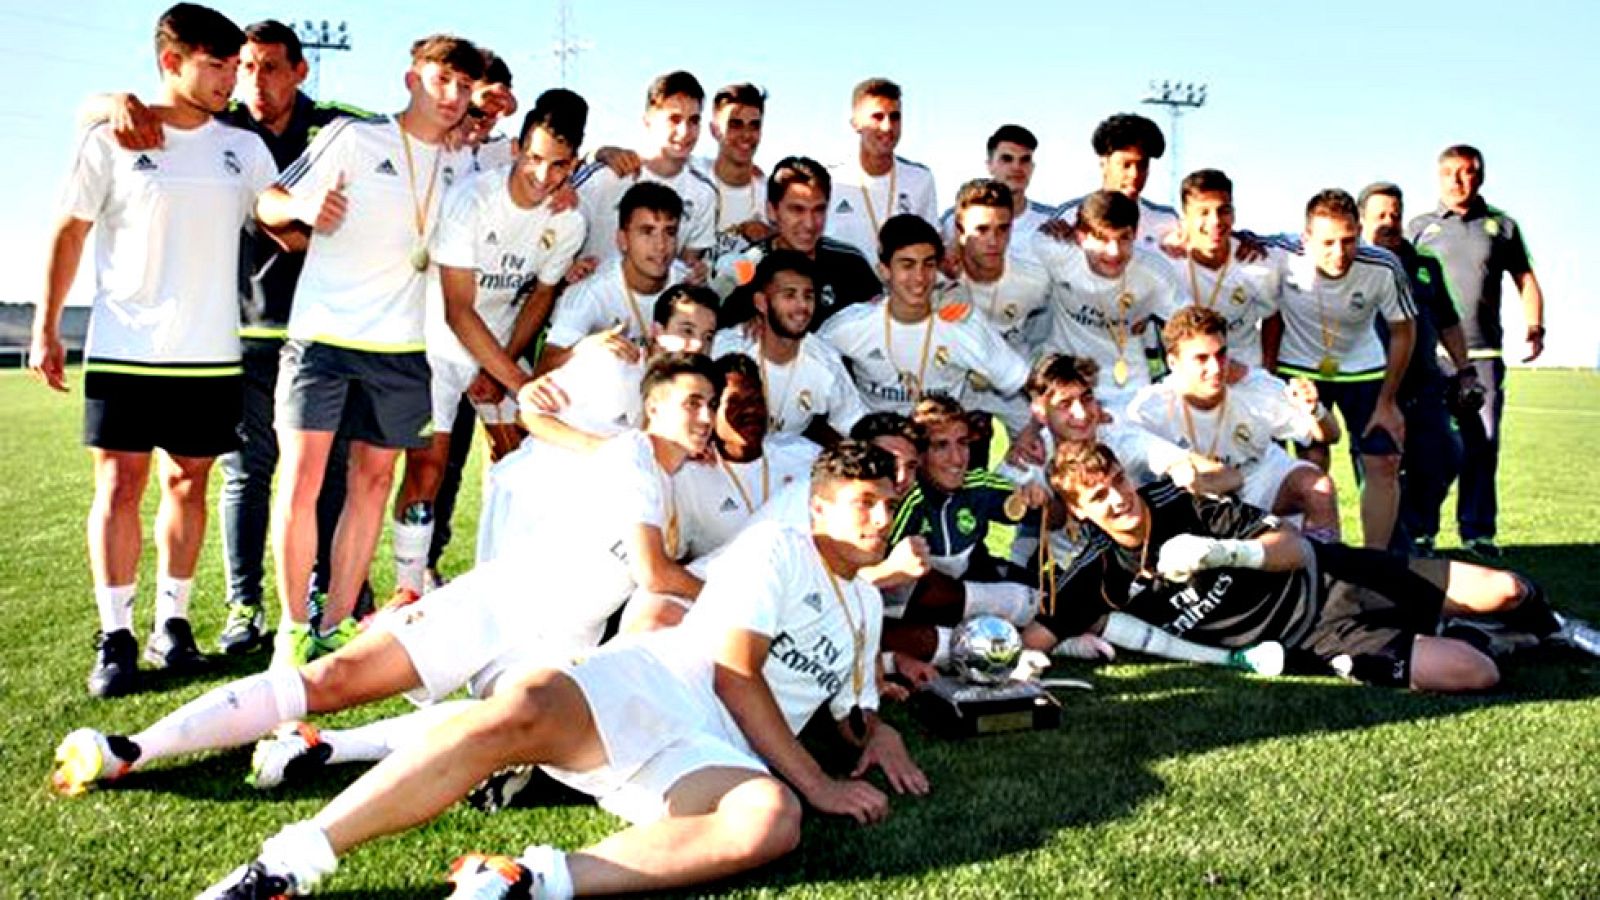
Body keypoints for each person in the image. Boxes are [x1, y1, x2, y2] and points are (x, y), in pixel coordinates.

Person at [188, 442, 927, 899]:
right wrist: (822, 784)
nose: (877, 520)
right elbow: (737, 676)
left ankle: (527, 880)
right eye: (862, 504)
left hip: (707, 753)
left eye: (887, 506)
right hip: (657, 687)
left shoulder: (866, 606)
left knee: (770, 819)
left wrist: (878, 734)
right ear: (817, 510)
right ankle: (291, 861)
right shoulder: (780, 550)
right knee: (523, 707)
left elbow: (850, 708)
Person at [49, 354, 723, 804]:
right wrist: (729, 592)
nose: (703, 416)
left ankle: (326, 750)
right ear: (652, 410)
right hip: (496, 607)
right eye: (691, 402)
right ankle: (131, 748)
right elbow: (655, 572)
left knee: (502, 724)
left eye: (710, 405)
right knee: (331, 680)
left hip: (554, 646)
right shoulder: (632, 454)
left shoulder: (681, 489)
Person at [75, 18, 371, 656]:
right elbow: (106, 116)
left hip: (322, 332)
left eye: (266, 67)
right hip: (237, 333)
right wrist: (111, 101)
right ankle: (244, 604)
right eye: (242, 67)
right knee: (245, 476)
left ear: (300, 71)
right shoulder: (215, 120)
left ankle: (330, 593)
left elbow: (403, 141)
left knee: (326, 473)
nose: (251, 81)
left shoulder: (336, 126)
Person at [29, 3, 277, 696]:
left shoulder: (244, 148)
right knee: (118, 486)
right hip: (123, 347)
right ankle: (115, 635)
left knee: (187, 483)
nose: (231, 79)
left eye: (236, 67)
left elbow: (279, 212)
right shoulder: (110, 137)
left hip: (211, 353)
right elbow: (69, 232)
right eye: (216, 65)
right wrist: (46, 326)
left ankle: (173, 625)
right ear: (172, 61)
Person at [254, 34, 482, 666]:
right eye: (441, 80)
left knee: (374, 484)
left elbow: (529, 171)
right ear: (412, 79)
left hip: (404, 347)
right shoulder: (355, 137)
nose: (452, 95)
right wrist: (304, 204)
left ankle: (334, 626)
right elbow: (268, 200)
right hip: (323, 338)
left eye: (464, 85)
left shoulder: (467, 163)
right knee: (301, 480)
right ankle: (292, 629)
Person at [1023, 442, 1600, 692]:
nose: (1117, 498)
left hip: (1332, 576)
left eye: (1117, 481)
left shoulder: (1181, 503)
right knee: (1477, 673)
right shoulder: (1096, 573)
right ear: (1080, 512)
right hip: (1315, 640)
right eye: (1097, 496)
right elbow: (1039, 636)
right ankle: (1486, 638)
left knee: (1507, 589)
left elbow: (1292, 546)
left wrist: (1222, 552)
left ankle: (1554, 626)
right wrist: (1025, 661)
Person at [387, 90, 589, 601]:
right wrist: (515, 379)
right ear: (517, 148)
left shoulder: (568, 220)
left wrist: (501, 368)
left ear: (573, 164)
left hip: (498, 348)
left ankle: (509, 583)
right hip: (438, 348)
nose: (543, 175)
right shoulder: (472, 199)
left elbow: (540, 297)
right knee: (428, 467)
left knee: (523, 459)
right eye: (534, 158)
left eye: (559, 165)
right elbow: (457, 309)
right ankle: (409, 589)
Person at [478, 286, 719, 565]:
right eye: (686, 331)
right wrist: (606, 449)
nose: (697, 345)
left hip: (583, 514)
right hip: (532, 500)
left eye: (707, 337)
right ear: (657, 331)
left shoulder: (684, 395)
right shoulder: (611, 361)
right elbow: (529, 415)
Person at [1407, 145, 1545, 559]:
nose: (1457, 180)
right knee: (1430, 445)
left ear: (1480, 177)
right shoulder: (1418, 227)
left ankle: (1477, 531)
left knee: (1483, 444)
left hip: (1483, 354)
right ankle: (1420, 530)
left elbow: (1526, 279)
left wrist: (1535, 326)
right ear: (1438, 176)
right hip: (1430, 356)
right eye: (1449, 172)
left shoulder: (1501, 226)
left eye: (1467, 172)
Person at [1270, 189, 1415, 551]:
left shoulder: (1383, 266)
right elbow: (1236, 240)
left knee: (1384, 462)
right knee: (1313, 459)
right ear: (1306, 239)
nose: (1339, 252)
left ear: (1359, 232)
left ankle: (1375, 562)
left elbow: (1403, 330)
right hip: (1299, 366)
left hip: (1363, 369)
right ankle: (1315, 553)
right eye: (1327, 243)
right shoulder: (1279, 253)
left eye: (1349, 240)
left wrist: (1388, 401)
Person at [1127, 305, 1342, 541]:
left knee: (1318, 488)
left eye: (1221, 354)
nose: (1216, 367)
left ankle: (1326, 561)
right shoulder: (1150, 408)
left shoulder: (1254, 386)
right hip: (1200, 494)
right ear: (1173, 362)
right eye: (1201, 358)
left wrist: (1315, 410)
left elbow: (1330, 436)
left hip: (1258, 474)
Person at [1359, 182, 1475, 556]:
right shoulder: (1353, 264)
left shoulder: (1425, 264)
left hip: (1424, 383)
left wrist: (1465, 370)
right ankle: (1395, 546)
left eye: (1395, 214)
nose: (1390, 222)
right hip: (1371, 386)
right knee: (1382, 465)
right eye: (1380, 215)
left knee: (1445, 454)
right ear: (1361, 221)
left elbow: (1448, 321)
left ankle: (1417, 530)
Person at [821, 214, 1027, 418]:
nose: (919, 277)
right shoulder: (851, 326)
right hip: (878, 437)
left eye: (928, 264)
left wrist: (1033, 427)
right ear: (884, 271)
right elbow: (810, 364)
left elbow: (1019, 379)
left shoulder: (962, 324)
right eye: (907, 265)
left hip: (943, 436)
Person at [1036, 190, 1183, 413]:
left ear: (1135, 234)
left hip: (1129, 391)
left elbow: (1192, 329)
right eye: (1102, 238)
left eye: (1124, 238)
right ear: (1081, 236)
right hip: (1066, 387)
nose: (1114, 252)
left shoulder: (1155, 274)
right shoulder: (1053, 252)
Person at [674, 354, 820, 560]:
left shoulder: (804, 454)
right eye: (734, 402)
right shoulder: (687, 478)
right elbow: (670, 558)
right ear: (711, 411)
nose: (750, 409)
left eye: (756, 399)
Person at [711, 250, 867, 443]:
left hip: (788, 459)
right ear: (761, 303)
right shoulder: (725, 349)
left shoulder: (825, 362)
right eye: (789, 295)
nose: (802, 307)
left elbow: (854, 424)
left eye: (808, 296)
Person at [571, 71, 716, 278]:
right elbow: (554, 229)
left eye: (693, 121)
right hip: (588, 295)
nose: (684, 131)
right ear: (648, 121)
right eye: (674, 119)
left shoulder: (704, 193)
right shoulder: (608, 175)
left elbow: (686, 266)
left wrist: (696, 275)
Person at [538, 182, 689, 373]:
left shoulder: (687, 284)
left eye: (670, 232)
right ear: (623, 240)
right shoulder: (592, 291)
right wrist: (586, 349)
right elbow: (544, 368)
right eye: (647, 232)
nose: (660, 245)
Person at [715, 156, 882, 329]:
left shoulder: (850, 265)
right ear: (772, 211)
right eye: (797, 210)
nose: (809, 223)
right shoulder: (746, 269)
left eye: (818, 210)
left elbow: (879, 329)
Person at [944, 178, 1053, 435]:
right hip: (956, 380)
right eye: (982, 230)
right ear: (960, 230)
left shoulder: (1035, 279)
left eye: (1002, 229)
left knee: (1050, 434)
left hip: (1014, 377)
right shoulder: (939, 279)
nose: (993, 241)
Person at [1172, 169, 1283, 368]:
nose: (1215, 221)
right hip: (1190, 372)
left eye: (1223, 210)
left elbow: (1272, 317)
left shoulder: (1257, 263)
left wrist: (1267, 371)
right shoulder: (1169, 263)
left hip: (1246, 370)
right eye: (1203, 212)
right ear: (1185, 217)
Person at [823, 78, 938, 261]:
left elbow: (932, 248)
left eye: (895, 117)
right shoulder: (830, 181)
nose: (887, 127)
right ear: (855, 123)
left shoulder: (920, 179)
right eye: (877, 117)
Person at [1052, 113, 1178, 250]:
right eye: (1126, 165)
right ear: (1104, 164)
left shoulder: (1167, 222)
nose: (1134, 174)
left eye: (1142, 165)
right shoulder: (1068, 217)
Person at [939, 124, 1057, 252]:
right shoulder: (953, 220)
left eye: (1025, 160)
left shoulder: (1052, 221)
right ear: (989, 166)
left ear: (1032, 167)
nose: (1017, 167)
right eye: (1007, 159)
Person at [700, 82, 772, 263]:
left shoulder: (770, 198)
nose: (746, 135)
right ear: (714, 130)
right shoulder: (692, 180)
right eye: (735, 124)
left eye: (754, 125)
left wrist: (770, 237)